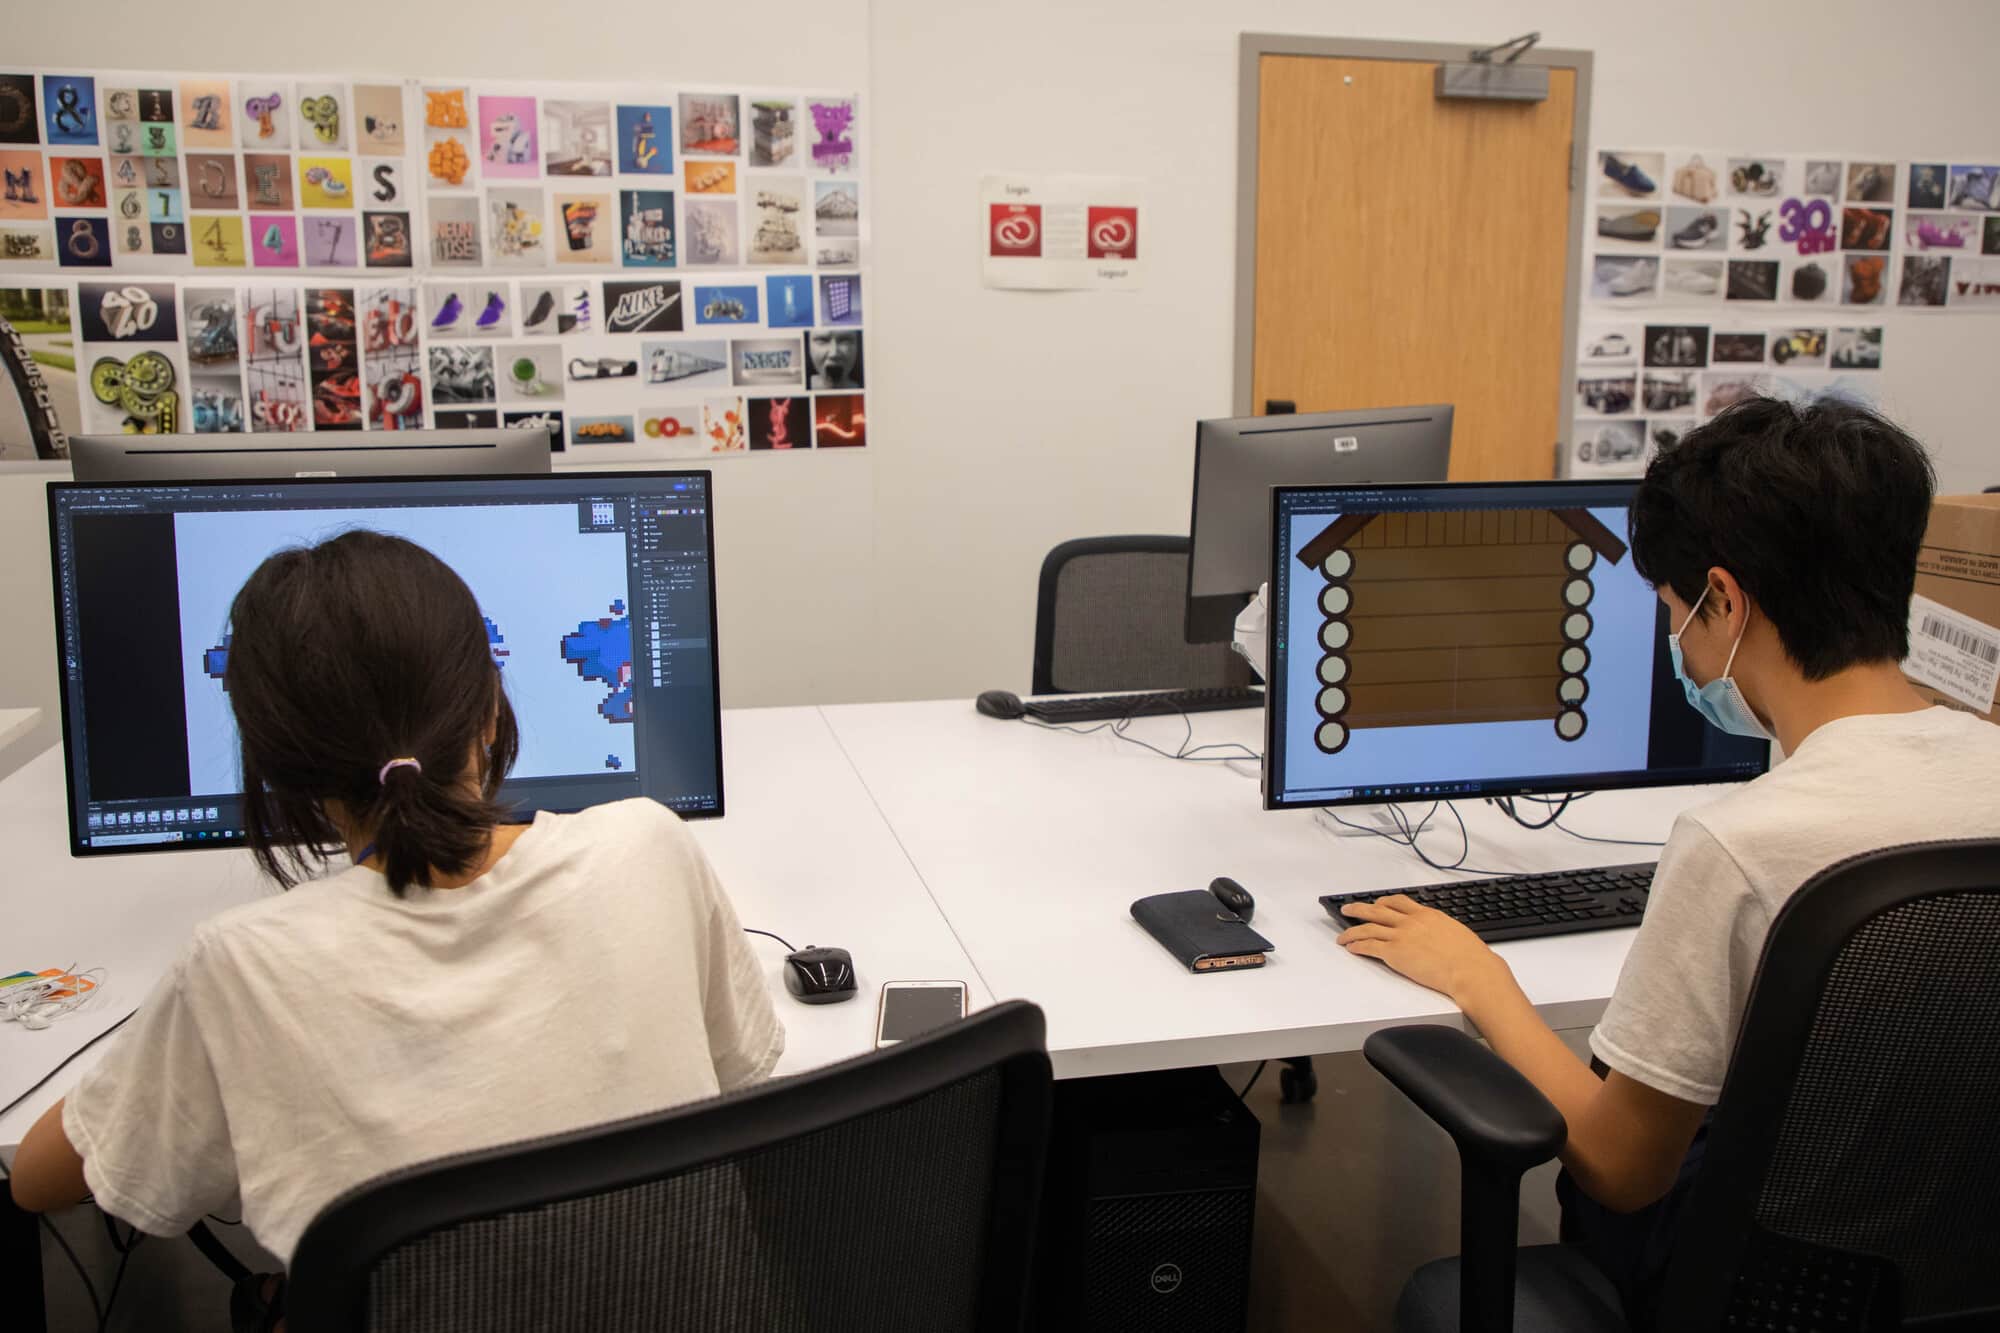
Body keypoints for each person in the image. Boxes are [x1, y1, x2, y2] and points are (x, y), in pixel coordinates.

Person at [1329, 396, 2000, 1324]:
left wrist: (1479, 978)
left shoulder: (1744, 842)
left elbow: (1622, 1168)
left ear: (1723, 600)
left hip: (1771, 1298)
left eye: (1672, 611)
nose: (1675, 637)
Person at [10, 531, 782, 1327]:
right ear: (490, 709)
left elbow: (34, 1181)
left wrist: (170, 1043)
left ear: (277, 770)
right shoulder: (649, 843)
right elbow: (741, 1068)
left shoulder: (239, 967)